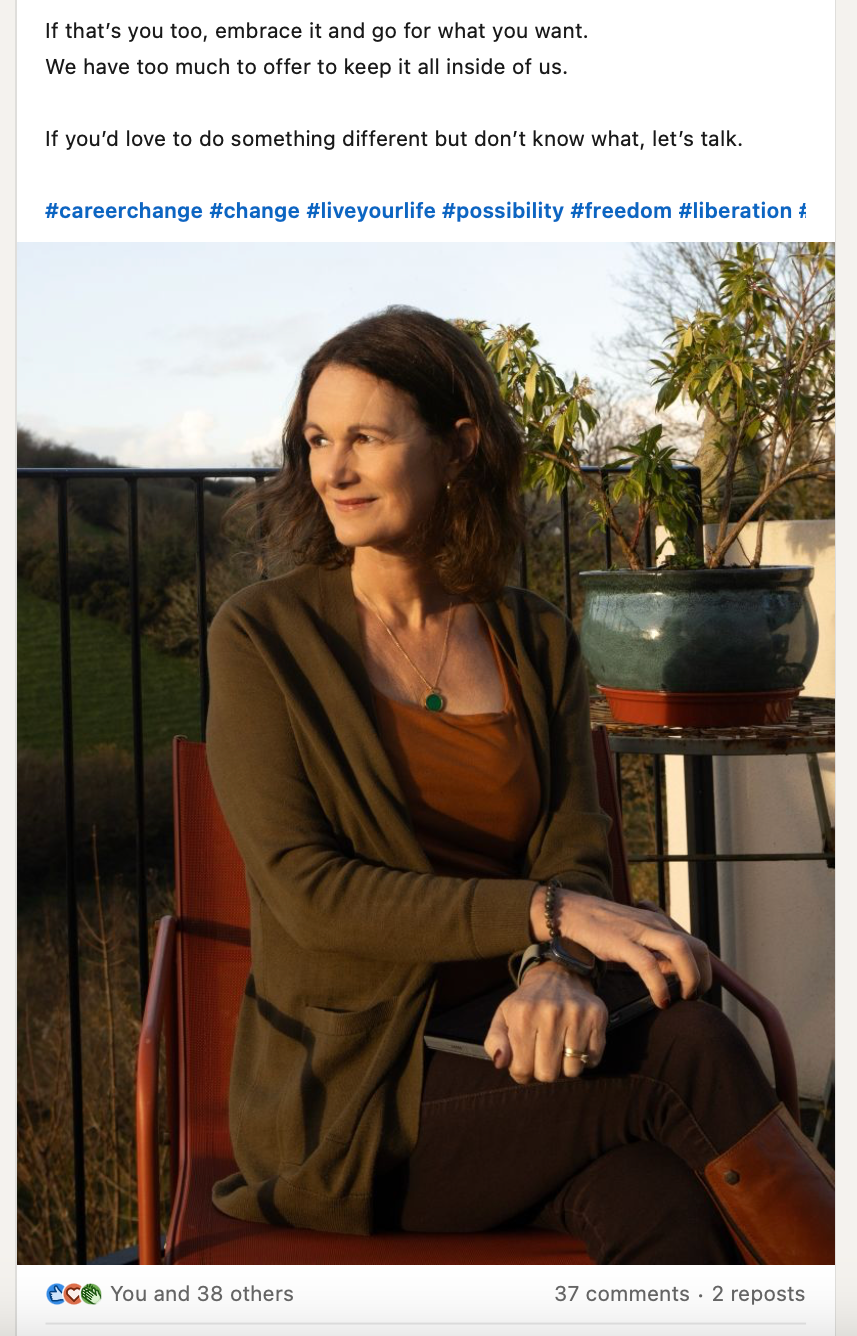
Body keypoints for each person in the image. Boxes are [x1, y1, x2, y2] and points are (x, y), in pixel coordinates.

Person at [205, 306, 833, 1264]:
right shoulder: (262, 638)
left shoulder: (530, 634)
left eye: (365, 439)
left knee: (658, 1205)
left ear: (456, 447)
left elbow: (572, 840)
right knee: (689, 1049)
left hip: (524, 1051)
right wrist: (547, 919)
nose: (331, 470)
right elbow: (309, 891)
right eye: (317, 441)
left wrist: (555, 970)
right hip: (358, 1098)